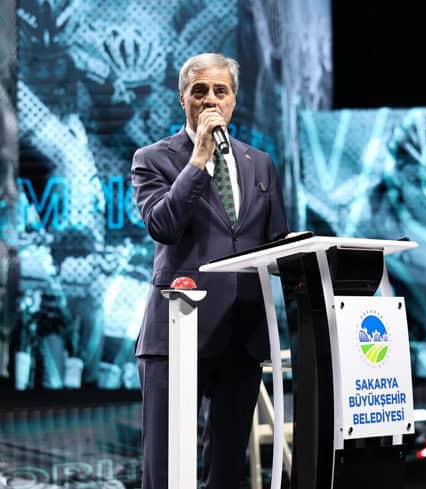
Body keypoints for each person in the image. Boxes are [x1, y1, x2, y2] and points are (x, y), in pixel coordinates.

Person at [131, 52, 288, 489]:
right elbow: (162, 225)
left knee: (226, 472)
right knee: (165, 470)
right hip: (177, 332)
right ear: (183, 99)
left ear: (234, 99)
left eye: (221, 90)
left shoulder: (260, 163)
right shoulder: (153, 158)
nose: (211, 99)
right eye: (199, 91)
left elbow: (277, 243)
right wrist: (198, 159)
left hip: (242, 334)